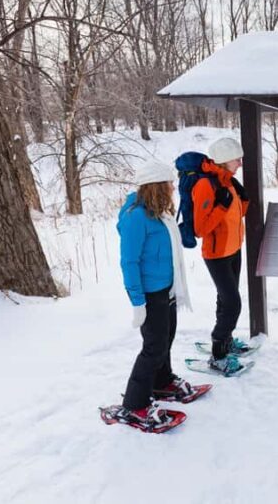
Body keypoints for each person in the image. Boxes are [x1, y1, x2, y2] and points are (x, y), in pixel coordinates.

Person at [116, 160, 193, 427]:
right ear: (157, 187)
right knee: (153, 347)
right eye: (169, 183)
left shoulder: (160, 214)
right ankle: (135, 404)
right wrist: (138, 301)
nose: (174, 187)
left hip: (167, 289)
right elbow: (129, 262)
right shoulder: (136, 217)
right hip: (150, 294)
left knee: (166, 339)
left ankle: (162, 382)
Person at [192, 138, 250, 374]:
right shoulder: (206, 185)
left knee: (225, 300)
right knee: (233, 303)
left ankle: (227, 341)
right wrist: (222, 206)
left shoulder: (228, 182)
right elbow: (200, 228)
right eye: (238, 159)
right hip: (216, 254)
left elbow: (236, 215)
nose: (240, 163)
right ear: (225, 159)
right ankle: (218, 353)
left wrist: (240, 199)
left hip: (234, 249)